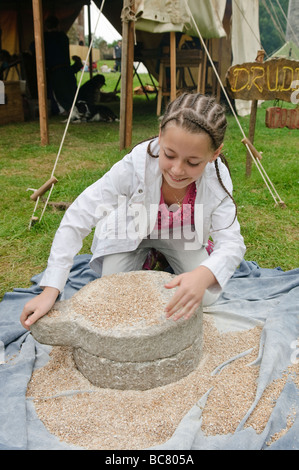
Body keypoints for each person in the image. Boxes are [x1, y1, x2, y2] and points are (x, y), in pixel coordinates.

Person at [20, 93, 246, 330]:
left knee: (207, 297)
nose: (177, 170)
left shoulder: (217, 179)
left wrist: (205, 274)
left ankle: (165, 254)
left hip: (182, 234)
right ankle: (149, 254)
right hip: (130, 231)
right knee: (113, 296)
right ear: (160, 136)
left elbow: (232, 243)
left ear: (214, 154)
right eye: (169, 155)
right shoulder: (136, 164)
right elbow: (80, 214)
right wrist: (51, 290)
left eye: (192, 162)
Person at [42, 15, 77, 114]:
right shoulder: (63, 36)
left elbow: (33, 48)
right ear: (58, 25)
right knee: (70, 92)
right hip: (66, 69)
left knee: (62, 93)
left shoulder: (46, 37)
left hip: (57, 71)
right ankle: (74, 110)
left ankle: (73, 112)